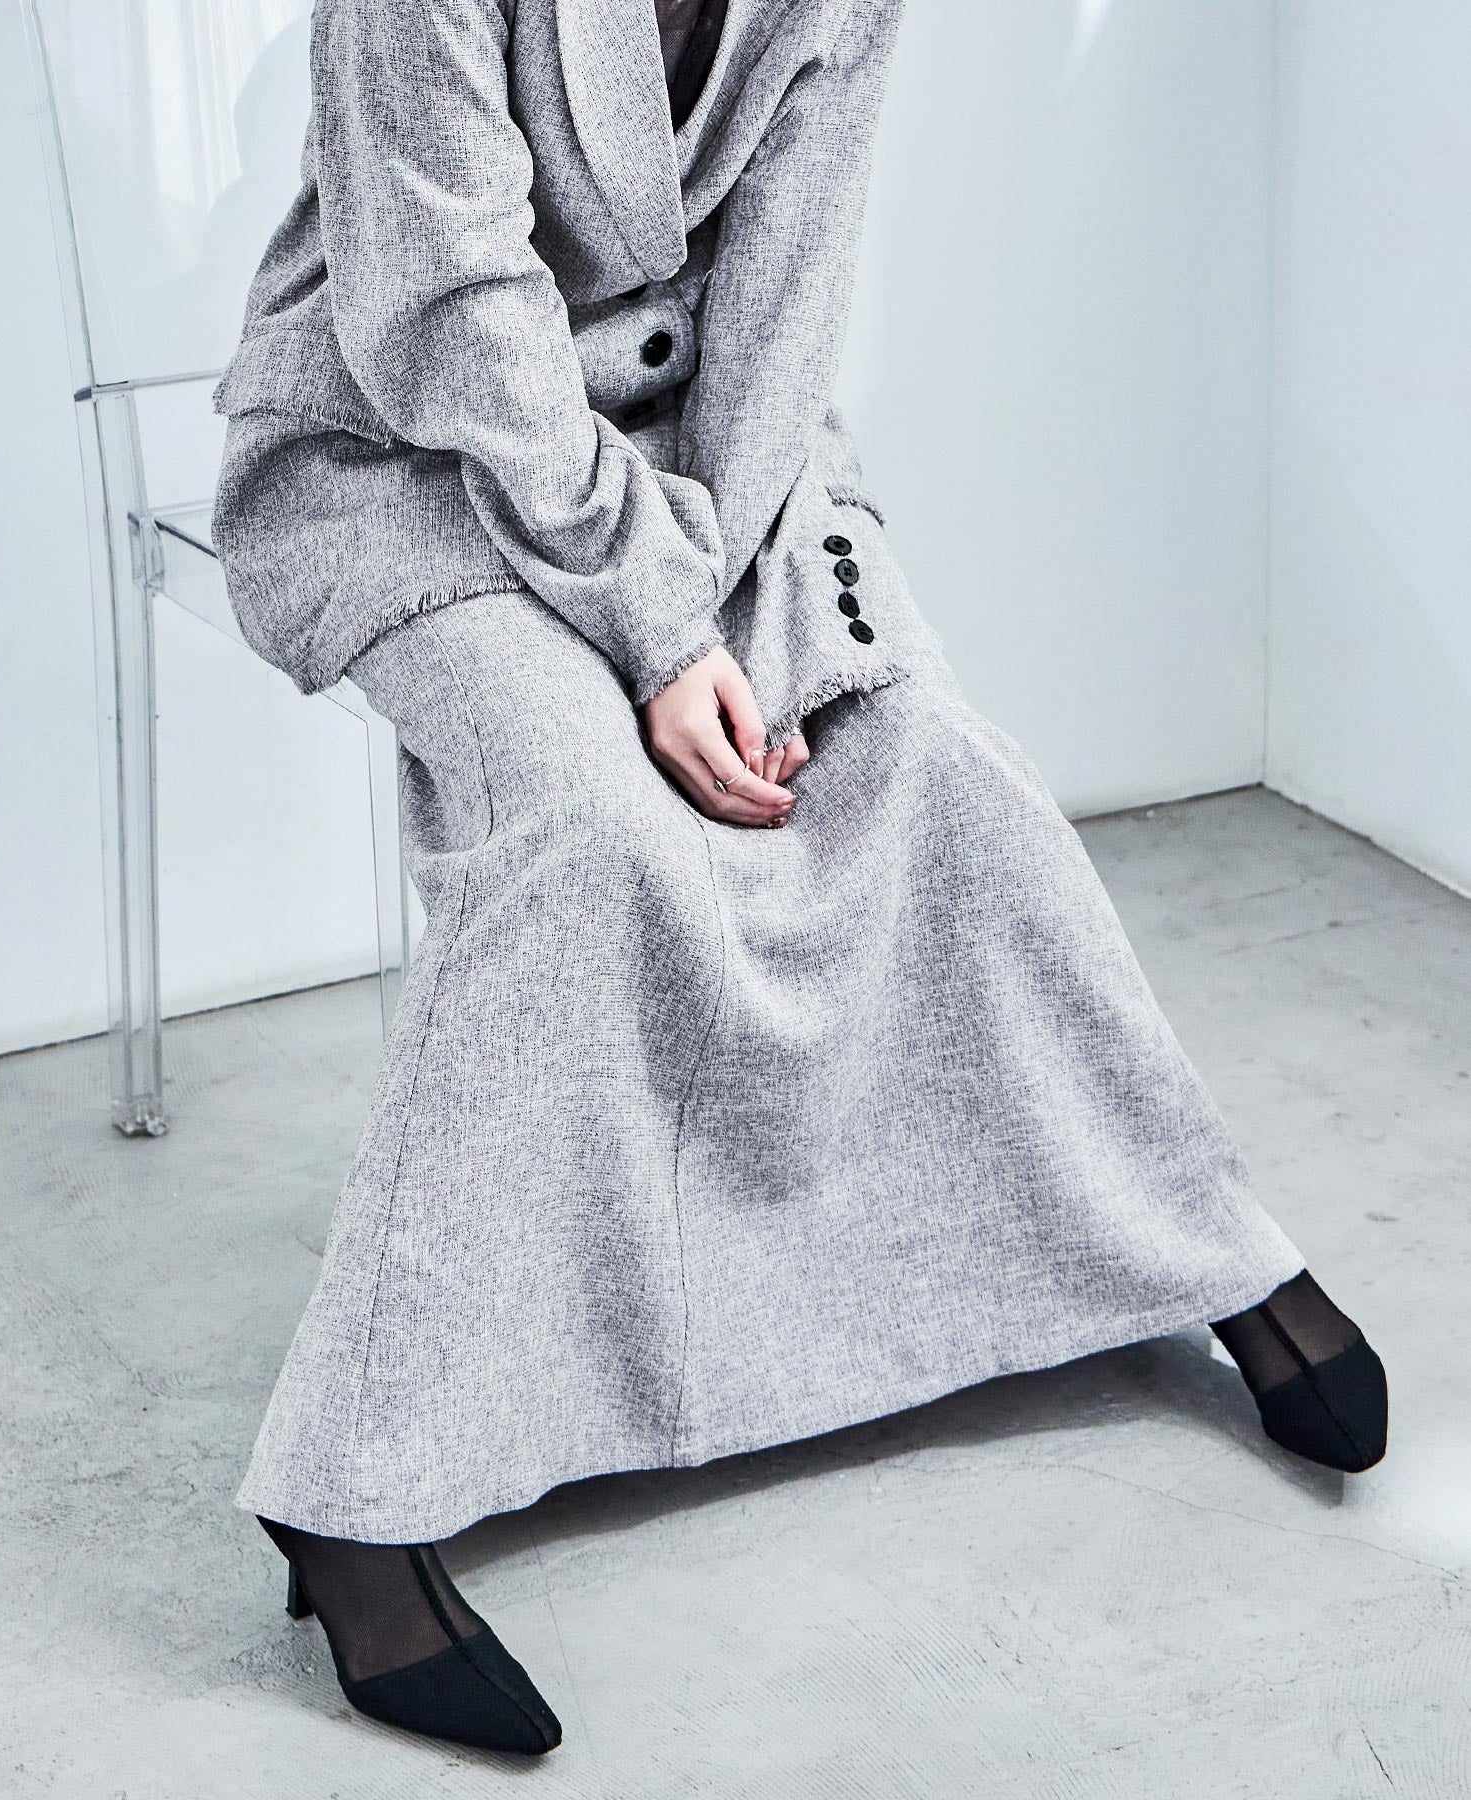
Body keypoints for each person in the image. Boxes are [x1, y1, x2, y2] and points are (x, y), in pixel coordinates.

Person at [209, 0, 1388, 1758]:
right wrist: (660, 631)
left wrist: (709, 595)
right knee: (592, 837)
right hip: (410, 458)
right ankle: (354, 1493)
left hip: (715, 472)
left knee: (938, 778)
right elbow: (441, 305)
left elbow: (784, 290)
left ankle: (1200, 1244)